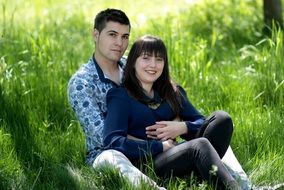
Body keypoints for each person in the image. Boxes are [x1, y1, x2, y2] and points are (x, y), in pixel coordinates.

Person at [103, 35, 243, 190]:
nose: (153, 65)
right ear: (133, 62)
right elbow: (113, 141)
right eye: (146, 58)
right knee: (200, 145)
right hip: (150, 163)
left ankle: (202, 177)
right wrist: (160, 146)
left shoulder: (171, 91)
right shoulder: (120, 96)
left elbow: (201, 121)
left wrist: (182, 127)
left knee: (222, 119)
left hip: (179, 154)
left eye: (159, 59)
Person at [67, 9, 165, 189]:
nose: (120, 43)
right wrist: (156, 145)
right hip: (111, 153)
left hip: (153, 145)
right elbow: (104, 137)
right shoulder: (82, 83)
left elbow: (167, 97)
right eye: (112, 35)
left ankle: (234, 180)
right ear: (95, 34)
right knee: (111, 157)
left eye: (125, 36)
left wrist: (175, 126)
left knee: (206, 133)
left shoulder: (133, 65)